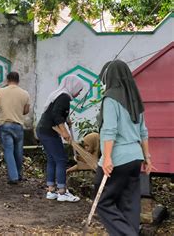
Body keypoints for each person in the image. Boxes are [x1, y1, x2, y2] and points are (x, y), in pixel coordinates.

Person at [95, 60, 151, 235]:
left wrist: (107, 158)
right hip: (136, 158)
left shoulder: (111, 98)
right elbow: (143, 130)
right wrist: (148, 157)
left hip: (117, 158)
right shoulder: (135, 97)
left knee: (103, 202)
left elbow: (110, 129)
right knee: (129, 204)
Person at [36, 75, 84, 202]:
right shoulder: (64, 97)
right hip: (49, 131)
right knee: (61, 159)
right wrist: (64, 132)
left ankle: (51, 190)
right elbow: (56, 116)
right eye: (79, 90)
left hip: (43, 129)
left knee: (52, 159)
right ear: (73, 86)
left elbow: (58, 112)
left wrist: (67, 119)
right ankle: (62, 192)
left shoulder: (59, 95)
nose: (79, 93)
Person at [0, 72, 30, 184]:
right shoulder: (25, 93)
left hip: (5, 124)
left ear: (7, 79)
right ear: (18, 80)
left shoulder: (0, 91)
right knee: (18, 151)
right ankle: (19, 175)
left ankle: (13, 177)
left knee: (8, 151)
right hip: (18, 125)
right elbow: (25, 111)